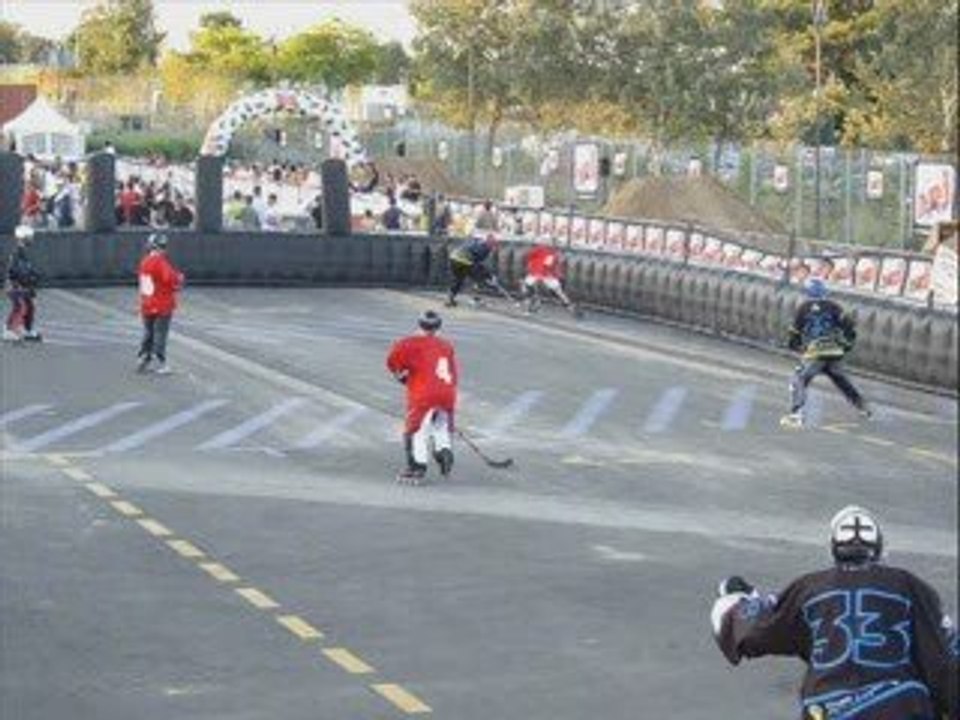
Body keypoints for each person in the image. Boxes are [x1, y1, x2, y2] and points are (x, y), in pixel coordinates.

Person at [711, 505, 957, 720]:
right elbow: (945, 657)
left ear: (833, 550)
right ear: (881, 549)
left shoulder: (809, 588)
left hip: (826, 709)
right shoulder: (909, 586)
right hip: (897, 705)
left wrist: (737, 599)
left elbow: (756, 628)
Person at [781, 278, 869, 427]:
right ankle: (863, 408)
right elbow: (850, 326)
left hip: (815, 352)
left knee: (800, 379)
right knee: (841, 381)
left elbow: (794, 332)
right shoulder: (834, 306)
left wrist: (794, 346)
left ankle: (796, 414)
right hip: (834, 351)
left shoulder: (803, 308)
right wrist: (846, 345)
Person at [385, 310, 458, 485]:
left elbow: (392, 362)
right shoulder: (446, 345)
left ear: (420, 324)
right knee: (440, 426)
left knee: (416, 430)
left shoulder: (408, 343)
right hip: (447, 392)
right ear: (438, 326)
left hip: (424, 393)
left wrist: (402, 376)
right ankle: (444, 451)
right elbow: (453, 372)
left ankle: (417, 467)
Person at [137, 233, 184, 374]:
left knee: (148, 332)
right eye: (164, 246)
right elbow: (170, 279)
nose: (165, 249)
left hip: (147, 303)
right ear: (160, 247)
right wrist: (179, 278)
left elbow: (145, 285)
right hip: (162, 305)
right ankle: (160, 362)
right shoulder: (160, 261)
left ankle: (143, 358)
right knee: (160, 334)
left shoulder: (144, 262)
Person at [3, 225, 42, 342]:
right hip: (15, 285)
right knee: (19, 307)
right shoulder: (16, 254)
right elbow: (15, 271)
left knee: (30, 306)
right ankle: (8, 330)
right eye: (29, 237)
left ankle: (27, 329)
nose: (31, 240)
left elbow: (27, 270)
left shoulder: (23, 253)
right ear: (23, 238)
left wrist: (33, 277)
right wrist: (25, 280)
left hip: (23, 285)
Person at [518, 243, 578, 316]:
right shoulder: (552, 254)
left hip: (539, 274)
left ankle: (529, 306)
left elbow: (529, 257)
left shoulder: (544, 251)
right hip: (544, 274)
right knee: (558, 292)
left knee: (526, 286)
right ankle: (570, 307)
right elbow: (548, 265)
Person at [446, 234, 500, 307]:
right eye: (494, 245)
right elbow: (478, 263)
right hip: (464, 261)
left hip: (454, 258)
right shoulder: (485, 249)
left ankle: (450, 298)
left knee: (458, 279)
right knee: (477, 278)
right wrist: (489, 276)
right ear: (490, 243)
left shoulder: (477, 242)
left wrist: (488, 276)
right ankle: (475, 300)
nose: (495, 248)